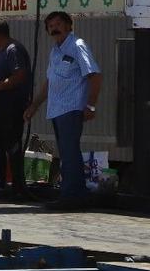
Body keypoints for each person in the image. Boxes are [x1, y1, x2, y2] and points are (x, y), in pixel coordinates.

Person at [24, 11, 102, 210]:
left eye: (58, 24)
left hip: (71, 108)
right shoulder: (55, 52)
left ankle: (71, 197)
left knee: (69, 153)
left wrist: (91, 105)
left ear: (68, 26)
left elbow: (94, 75)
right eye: (50, 26)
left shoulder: (77, 46)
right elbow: (49, 83)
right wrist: (34, 105)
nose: (54, 28)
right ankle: (75, 195)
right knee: (67, 153)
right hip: (57, 110)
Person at [0, 17, 33, 201]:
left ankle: (13, 186)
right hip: (1, 109)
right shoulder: (1, 51)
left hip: (10, 109)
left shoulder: (13, 50)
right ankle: (3, 184)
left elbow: (19, 76)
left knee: (9, 147)